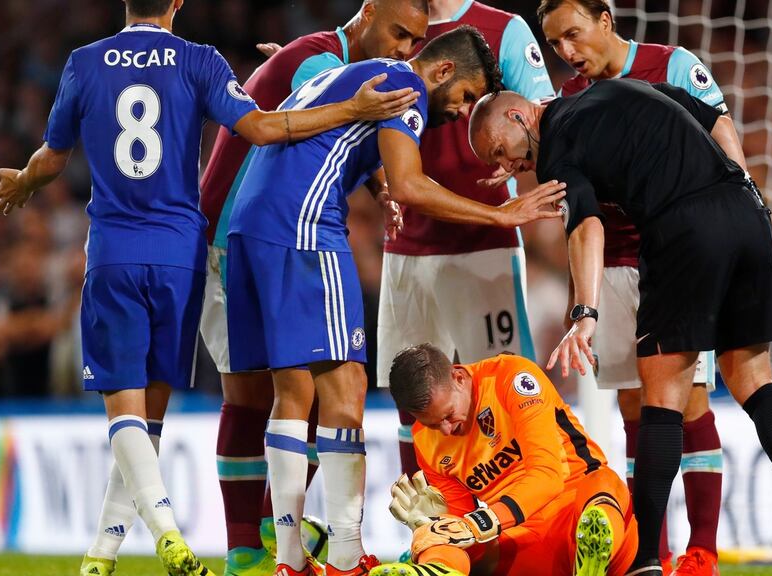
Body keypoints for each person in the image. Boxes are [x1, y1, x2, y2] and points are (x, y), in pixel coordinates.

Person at [0, 1, 421, 575]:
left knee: (136, 415)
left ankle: (167, 540)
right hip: (192, 250)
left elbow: (52, 156)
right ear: (178, 3)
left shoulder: (84, 62)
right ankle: (155, 549)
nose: (406, 48)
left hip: (122, 250)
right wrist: (348, 110)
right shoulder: (205, 61)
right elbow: (263, 127)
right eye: (403, 35)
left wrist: (25, 180)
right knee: (197, 407)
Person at [225, 25, 566, 576]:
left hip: (250, 223)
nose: (459, 116)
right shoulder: (405, 87)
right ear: (443, 72)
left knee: (292, 390)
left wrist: (376, 180)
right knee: (346, 385)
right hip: (305, 226)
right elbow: (411, 185)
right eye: (462, 101)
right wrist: (501, 213)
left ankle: (287, 560)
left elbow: (344, 152)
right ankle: (344, 554)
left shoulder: (354, 72)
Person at [468, 86, 772, 576]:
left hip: (684, 229)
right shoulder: (622, 88)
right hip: (747, 213)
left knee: (659, 401)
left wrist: (584, 313)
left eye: (501, 151)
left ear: (520, 115)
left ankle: (643, 560)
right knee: (755, 383)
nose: (507, 166)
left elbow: (586, 227)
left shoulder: (557, 145)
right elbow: (713, 118)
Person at [199, 2, 429, 574]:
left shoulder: (317, 62)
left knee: (289, 396)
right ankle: (248, 547)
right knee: (258, 396)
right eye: (398, 33)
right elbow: (299, 130)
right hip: (234, 238)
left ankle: (280, 540)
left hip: (247, 235)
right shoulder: (319, 60)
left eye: (415, 42)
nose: (404, 50)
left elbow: (325, 131)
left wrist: (376, 188)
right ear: (367, 11)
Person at [537, 1, 733, 572]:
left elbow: (721, 133)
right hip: (613, 264)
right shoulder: (568, 100)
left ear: (605, 19)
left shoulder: (671, 66)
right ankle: (652, 551)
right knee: (632, 411)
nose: (568, 53)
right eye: (556, 45)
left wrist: (739, 206)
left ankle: (701, 553)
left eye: (573, 34)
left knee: (687, 403)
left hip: (675, 259)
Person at [375, 0, 555, 481]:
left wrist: (529, 163)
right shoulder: (390, 28)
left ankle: (516, 517)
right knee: (412, 398)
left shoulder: (506, 29)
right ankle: (428, 529)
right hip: (409, 244)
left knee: (508, 387)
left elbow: (546, 118)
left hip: (485, 246)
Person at [374, 346, 636, 576]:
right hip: (524, 543)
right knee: (434, 536)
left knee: (603, 482)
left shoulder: (511, 377)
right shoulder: (424, 440)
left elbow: (548, 475)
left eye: (448, 415)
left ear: (458, 377)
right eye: (432, 424)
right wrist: (435, 526)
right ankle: (438, 569)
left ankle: (592, 553)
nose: (445, 430)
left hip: (576, 506)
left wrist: (478, 524)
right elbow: (460, 523)